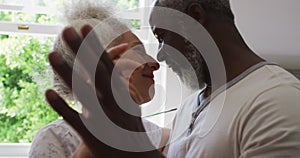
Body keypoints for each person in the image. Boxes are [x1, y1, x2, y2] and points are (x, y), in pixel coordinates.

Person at [46, 0, 300, 157]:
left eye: (161, 37)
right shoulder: (190, 108)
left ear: (195, 17)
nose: (159, 57)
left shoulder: (279, 101)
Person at [29, 2, 169, 158]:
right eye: (138, 50)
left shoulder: (164, 139)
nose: (155, 63)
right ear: (99, 64)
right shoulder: (56, 138)